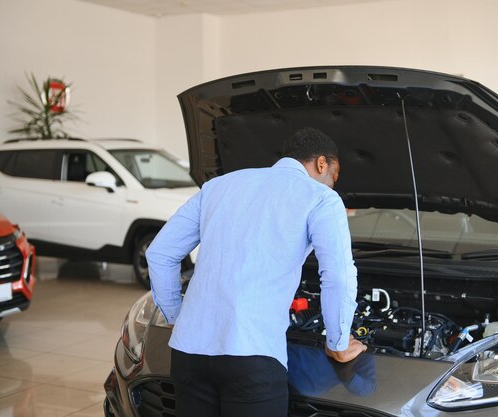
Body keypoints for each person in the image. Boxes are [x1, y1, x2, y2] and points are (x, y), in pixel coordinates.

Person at [146, 127, 366, 417]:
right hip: (252, 355)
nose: (332, 186)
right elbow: (338, 274)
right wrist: (337, 343)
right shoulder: (320, 198)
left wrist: (176, 316)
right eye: (333, 178)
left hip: (189, 353)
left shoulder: (219, 186)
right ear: (322, 164)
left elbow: (159, 253)